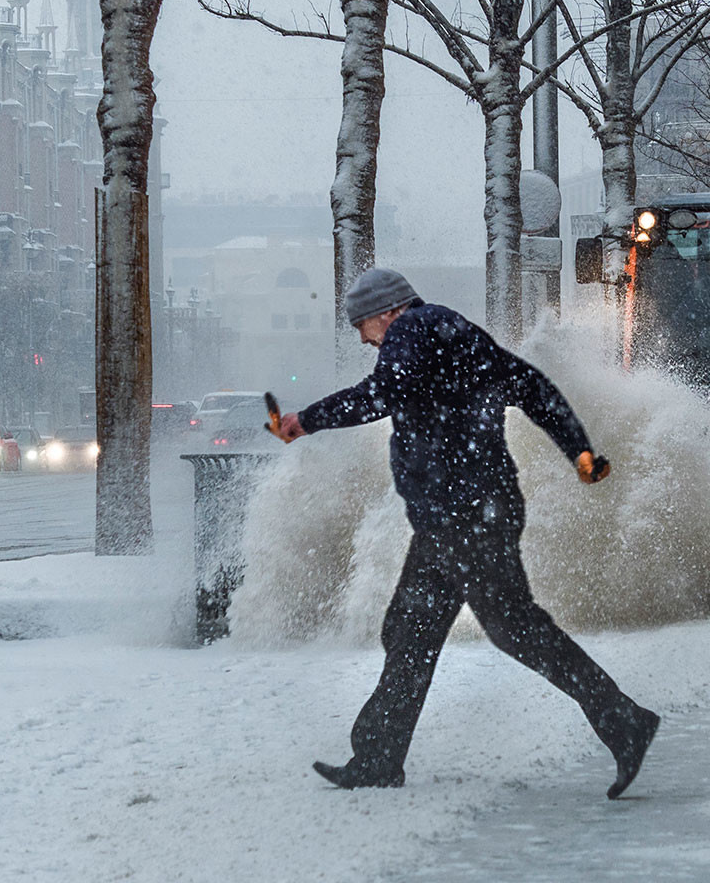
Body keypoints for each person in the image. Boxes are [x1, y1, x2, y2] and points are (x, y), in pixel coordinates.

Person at [274, 267, 660, 798]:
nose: (364, 338)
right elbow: (532, 387)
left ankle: (623, 720)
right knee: (410, 629)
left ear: (386, 311)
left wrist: (306, 419)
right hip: (461, 514)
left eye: (363, 325)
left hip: (466, 514)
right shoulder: (456, 334)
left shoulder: (411, 331)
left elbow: (382, 392)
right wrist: (579, 450)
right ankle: (378, 757)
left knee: (513, 627)